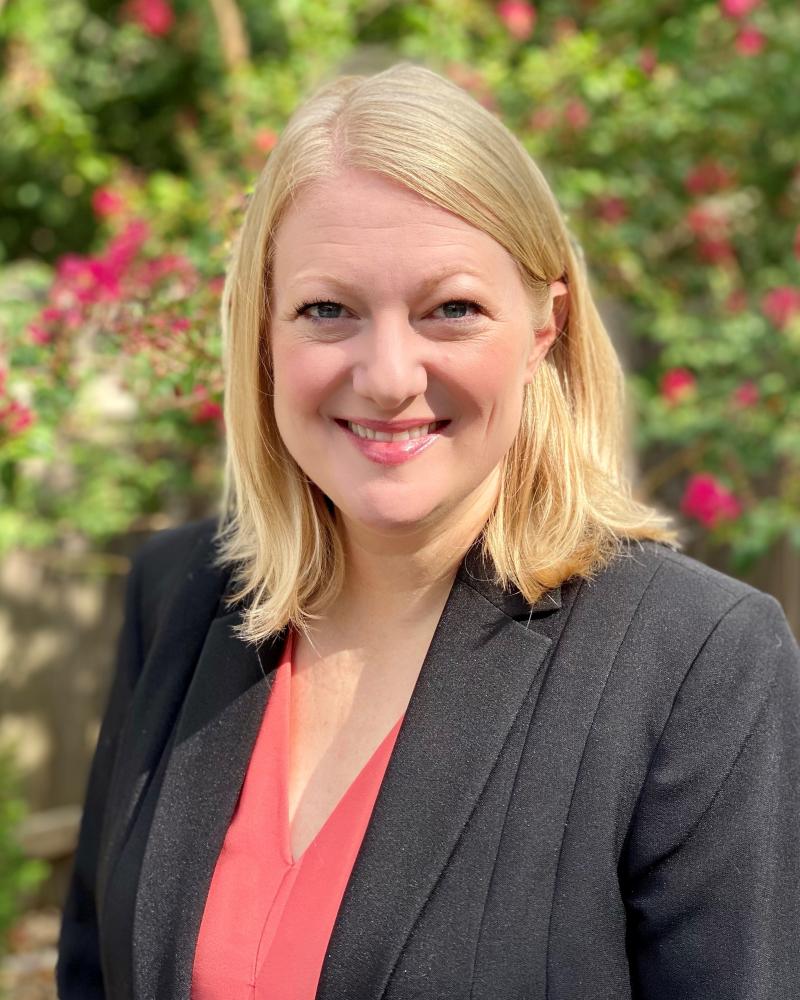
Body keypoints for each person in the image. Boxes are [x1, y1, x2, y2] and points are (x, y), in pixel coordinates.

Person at [56, 62, 800, 1000]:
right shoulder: (178, 597)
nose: (389, 374)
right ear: (263, 334)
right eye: (328, 310)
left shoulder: (697, 663)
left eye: (451, 309)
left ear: (543, 328)